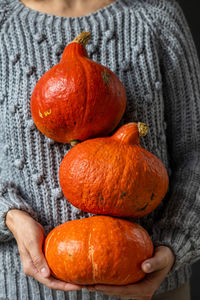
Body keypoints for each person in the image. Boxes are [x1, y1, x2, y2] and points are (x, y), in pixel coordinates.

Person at [0, 0, 199, 299]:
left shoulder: (155, 14)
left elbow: (195, 148)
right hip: (23, 291)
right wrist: (10, 215)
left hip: (156, 287)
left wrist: (174, 244)